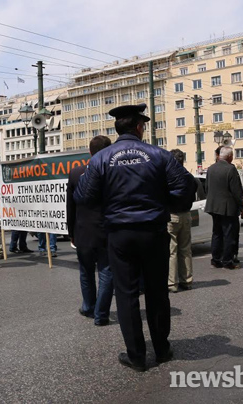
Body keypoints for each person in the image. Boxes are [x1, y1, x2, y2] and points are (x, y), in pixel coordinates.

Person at [74, 104, 197, 372]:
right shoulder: (158, 154)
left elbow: (83, 197)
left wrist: (109, 206)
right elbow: (187, 186)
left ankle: (137, 356)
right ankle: (162, 349)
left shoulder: (101, 158)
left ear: (117, 127)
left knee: (126, 294)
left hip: (120, 234)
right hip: (153, 231)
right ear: (139, 127)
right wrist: (163, 204)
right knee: (156, 292)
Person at [67, 135, 114, 326]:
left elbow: (70, 206)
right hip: (106, 230)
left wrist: (72, 232)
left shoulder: (76, 172)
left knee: (86, 271)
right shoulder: (112, 172)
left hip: (83, 230)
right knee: (106, 271)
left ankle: (88, 306)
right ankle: (101, 314)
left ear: (90, 152)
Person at [205, 146, 243, 270]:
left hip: (213, 206)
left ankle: (215, 259)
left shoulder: (211, 168)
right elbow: (236, 190)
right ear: (229, 156)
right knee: (229, 234)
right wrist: (242, 204)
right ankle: (227, 260)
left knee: (216, 233)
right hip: (227, 207)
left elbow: (207, 187)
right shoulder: (230, 169)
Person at [167, 149, 194, 293]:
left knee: (172, 251)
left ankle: (172, 283)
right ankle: (187, 280)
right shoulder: (189, 177)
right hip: (186, 214)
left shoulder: (168, 176)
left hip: (172, 215)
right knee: (186, 249)